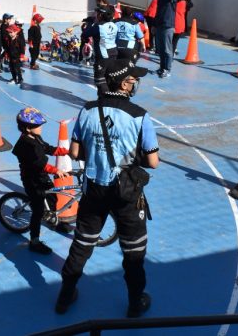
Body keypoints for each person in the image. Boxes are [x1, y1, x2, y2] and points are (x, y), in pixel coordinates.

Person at [56, 58, 159, 318]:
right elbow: (152, 162)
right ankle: (135, 302)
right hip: (125, 193)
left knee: (82, 244)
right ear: (124, 84)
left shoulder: (87, 110)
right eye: (134, 80)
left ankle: (65, 295)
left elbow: (75, 152)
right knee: (133, 251)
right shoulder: (139, 115)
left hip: (94, 189)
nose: (136, 84)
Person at [12, 107, 72, 255]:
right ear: (28, 128)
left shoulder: (35, 137)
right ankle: (34, 241)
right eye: (38, 125)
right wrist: (56, 170)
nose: (41, 128)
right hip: (32, 180)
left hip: (42, 177)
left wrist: (64, 151)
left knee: (52, 197)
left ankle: (53, 220)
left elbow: (46, 148)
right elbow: (39, 163)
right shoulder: (25, 144)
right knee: (38, 211)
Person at [82, 5, 118, 95]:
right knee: (109, 76)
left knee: (99, 78)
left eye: (97, 13)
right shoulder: (114, 25)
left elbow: (85, 34)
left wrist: (90, 24)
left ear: (100, 15)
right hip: (113, 52)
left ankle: (104, 99)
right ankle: (111, 96)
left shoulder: (98, 27)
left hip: (103, 55)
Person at [155, 0, 177, 79]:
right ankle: (162, 67)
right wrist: (154, 24)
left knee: (167, 49)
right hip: (159, 24)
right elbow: (158, 10)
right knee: (160, 48)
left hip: (167, 25)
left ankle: (167, 69)